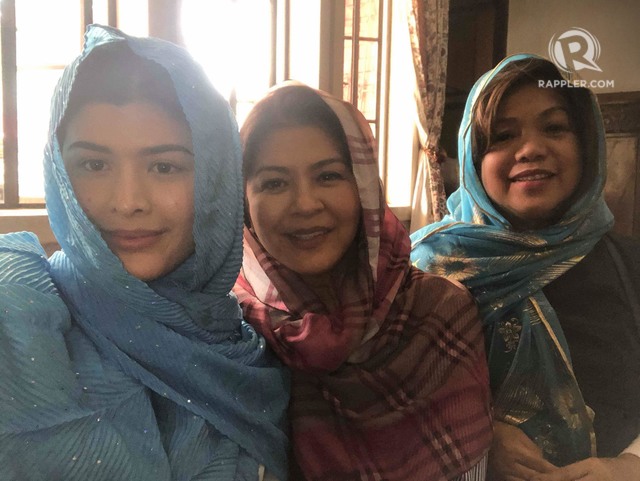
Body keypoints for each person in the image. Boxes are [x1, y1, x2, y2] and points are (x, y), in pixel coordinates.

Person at [0, 25, 289, 481]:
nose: (128, 200)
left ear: (215, 180)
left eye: (164, 166)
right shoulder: (20, 314)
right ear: (60, 172)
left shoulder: (244, 347)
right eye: (94, 165)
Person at [232, 83, 493, 480]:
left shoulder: (439, 311)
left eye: (328, 176)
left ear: (365, 189)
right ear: (244, 205)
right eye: (274, 183)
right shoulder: (231, 329)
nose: (305, 204)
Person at [410, 53, 640, 481]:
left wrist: (629, 464)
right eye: (502, 136)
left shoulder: (629, 267)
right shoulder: (427, 274)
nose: (532, 149)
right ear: (474, 159)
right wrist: (478, 436)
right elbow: (392, 405)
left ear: (586, 144)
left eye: (554, 128)